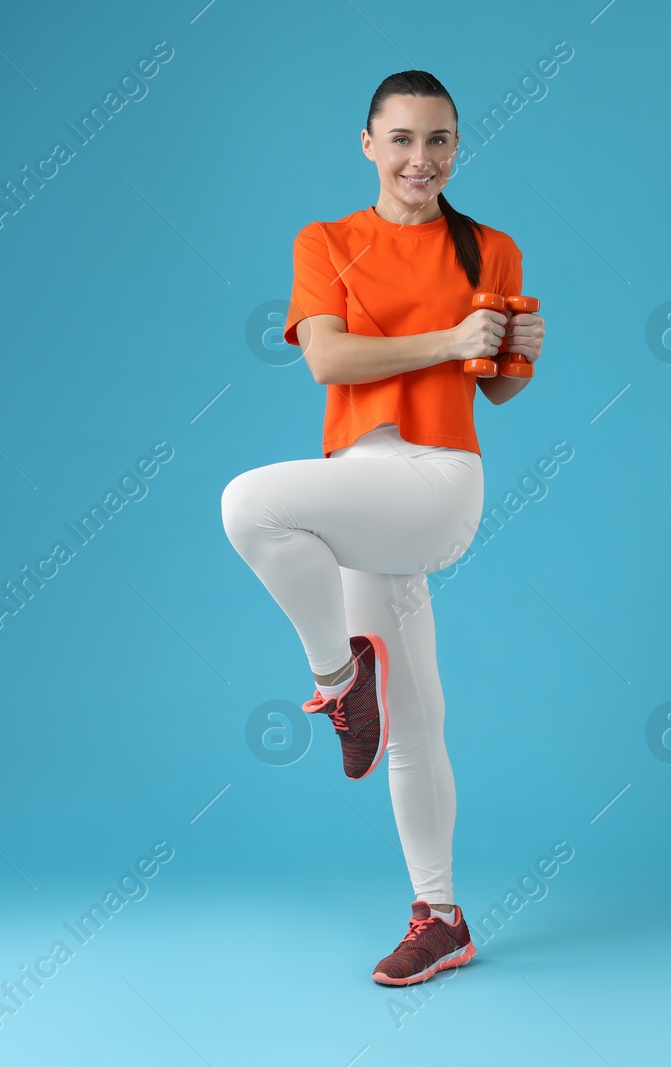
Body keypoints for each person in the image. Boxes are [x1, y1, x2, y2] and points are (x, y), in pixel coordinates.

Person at [221, 70, 546, 986]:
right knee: (415, 724)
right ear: (368, 143)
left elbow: (497, 386)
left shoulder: (490, 248)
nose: (420, 158)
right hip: (357, 484)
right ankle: (439, 916)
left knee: (248, 501)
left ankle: (339, 679)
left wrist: (520, 358)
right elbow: (326, 356)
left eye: (439, 139)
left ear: (457, 148)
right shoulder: (326, 241)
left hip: (440, 480)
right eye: (401, 138)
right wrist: (449, 339)